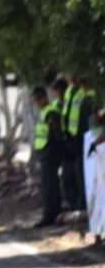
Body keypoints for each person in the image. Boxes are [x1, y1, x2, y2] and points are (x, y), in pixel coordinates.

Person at [30, 86, 65, 228]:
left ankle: (51, 215)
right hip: (44, 152)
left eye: (38, 99)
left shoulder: (51, 112)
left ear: (44, 97)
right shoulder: (44, 112)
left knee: (51, 186)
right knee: (47, 185)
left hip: (50, 152)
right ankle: (51, 213)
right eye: (35, 100)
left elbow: (56, 134)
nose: (37, 102)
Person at [60, 75, 95, 212]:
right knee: (71, 174)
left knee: (82, 174)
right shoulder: (70, 91)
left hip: (83, 139)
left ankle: (84, 205)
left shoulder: (87, 94)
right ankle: (76, 204)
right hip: (71, 138)